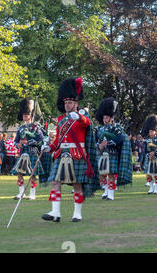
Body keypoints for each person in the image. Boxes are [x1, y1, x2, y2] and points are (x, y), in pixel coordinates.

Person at [41, 77, 99, 222]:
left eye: (70, 102)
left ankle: (77, 214)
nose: (67, 105)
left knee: (77, 184)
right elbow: (58, 141)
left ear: (76, 103)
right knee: (55, 182)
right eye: (66, 103)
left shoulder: (82, 116)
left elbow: (87, 123)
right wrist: (49, 148)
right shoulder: (61, 120)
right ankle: (55, 212)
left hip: (77, 154)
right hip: (62, 154)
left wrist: (78, 116)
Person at [95, 97, 133, 200]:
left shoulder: (117, 127)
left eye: (107, 118)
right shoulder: (99, 129)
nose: (105, 120)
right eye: (103, 118)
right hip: (102, 154)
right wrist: (99, 145)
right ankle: (106, 191)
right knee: (102, 174)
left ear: (111, 118)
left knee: (111, 174)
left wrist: (109, 143)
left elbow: (121, 138)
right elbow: (96, 141)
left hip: (112, 153)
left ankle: (111, 195)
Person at [11, 98, 45, 200]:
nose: (25, 116)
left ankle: (32, 194)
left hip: (32, 152)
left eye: (26, 115)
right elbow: (15, 141)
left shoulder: (36, 127)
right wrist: (18, 144)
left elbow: (41, 140)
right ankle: (21, 193)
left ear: (31, 115)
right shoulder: (20, 128)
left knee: (32, 174)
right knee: (19, 173)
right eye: (23, 115)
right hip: (22, 153)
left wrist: (29, 142)